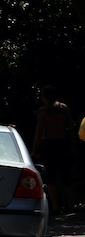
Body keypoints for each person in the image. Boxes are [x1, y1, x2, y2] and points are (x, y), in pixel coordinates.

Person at [32, 85, 75, 214]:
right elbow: (71, 129)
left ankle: (56, 207)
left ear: (44, 98)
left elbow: (38, 132)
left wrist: (34, 149)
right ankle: (70, 206)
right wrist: (73, 146)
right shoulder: (63, 109)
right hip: (63, 143)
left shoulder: (43, 111)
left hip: (49, 144)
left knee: (50, 177)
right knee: (66, 175)